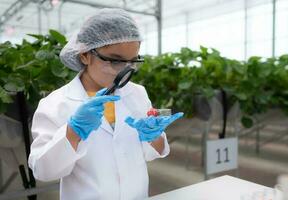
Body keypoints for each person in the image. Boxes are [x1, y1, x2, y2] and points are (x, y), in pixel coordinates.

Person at [28, 8, 183, 200]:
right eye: (114, 61)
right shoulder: (55, 104)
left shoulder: (137, 93)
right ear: (85, 55)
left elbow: (153, 152)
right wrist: (72, 133)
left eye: (132, 62)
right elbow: (43, 171)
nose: (124, 71)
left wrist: (154, 137)